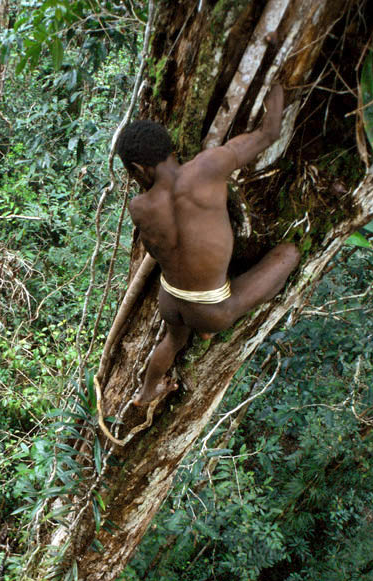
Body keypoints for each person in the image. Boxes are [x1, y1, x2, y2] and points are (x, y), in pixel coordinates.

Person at [116, 85, 299, 405]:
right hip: (213, 310)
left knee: (172, 342)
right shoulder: (209, 166)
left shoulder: (139, 207)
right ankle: (207, 327)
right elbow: (269, 132)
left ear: (139, 169)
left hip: (170, 301)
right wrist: (279, 88)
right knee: (290, 255)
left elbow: (159, 251)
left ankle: (147, 392)